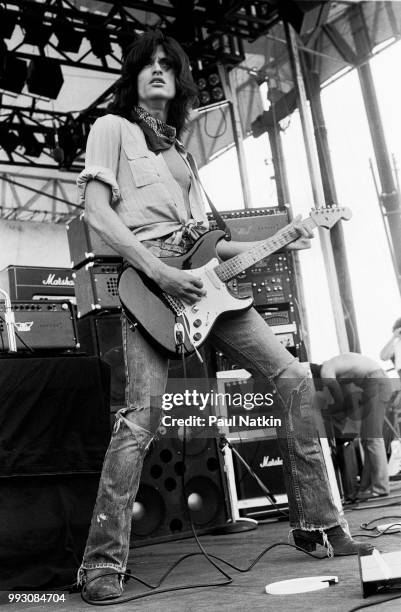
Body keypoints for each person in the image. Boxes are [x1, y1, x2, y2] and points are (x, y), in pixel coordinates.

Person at [76, 30, 373, 601]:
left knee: (292, 378)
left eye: (169, 62)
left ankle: (319, 524)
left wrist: (285, 237)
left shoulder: (180, 151)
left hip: (206, 285)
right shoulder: (111, 129)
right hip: (150, 283)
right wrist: (160, 272)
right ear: (134, 74)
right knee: (139, 419)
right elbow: (96, 216)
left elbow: (211, 244)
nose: (159, 69)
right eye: (149, 63)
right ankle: (101, 563)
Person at [311, 353, 391, 501]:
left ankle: (381, 487)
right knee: (367, 439)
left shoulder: (326, 371)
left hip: (375, 382)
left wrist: (323, 412)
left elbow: (340, 402)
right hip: (373, 382)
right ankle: (367, 487)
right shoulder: (333, 368)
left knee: (373, 437)